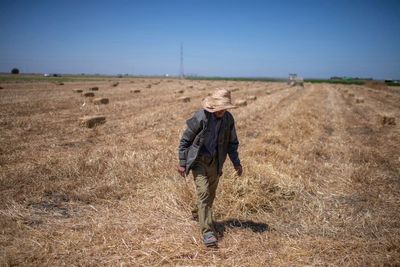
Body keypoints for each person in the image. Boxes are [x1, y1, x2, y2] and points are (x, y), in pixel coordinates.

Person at [177, 88, 243, 247]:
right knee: (204, 193)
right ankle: (207, 232)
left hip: (216, 162)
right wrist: (182, 162)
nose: (221, 111)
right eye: (219, 108)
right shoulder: (201, 116)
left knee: (209, 195)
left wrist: (236, 163)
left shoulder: (228, 119)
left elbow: (232, 144)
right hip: (198, 161)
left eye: (224, 108)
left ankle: (196, 212)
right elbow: (185, 140)